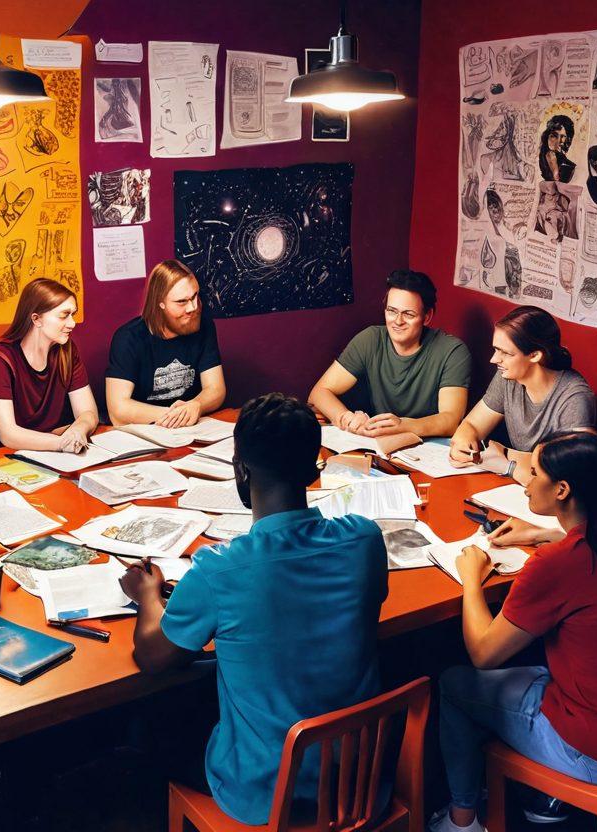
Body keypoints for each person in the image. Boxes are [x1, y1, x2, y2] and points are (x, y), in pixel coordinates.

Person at [119, 393, 388, 825]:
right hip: (356, 776)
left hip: (267, 792)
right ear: (313, 467)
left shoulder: (217, 569)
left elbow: (152, 657)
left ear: (239, 470)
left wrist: (147, 596)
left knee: (145, 728)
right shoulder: (364, 539)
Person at [429, 433, 597, 832]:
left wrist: (471, 579)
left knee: (454, 682)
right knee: (531, 668)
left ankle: (462, 819)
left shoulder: (558, 564)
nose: (526, 481)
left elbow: (482, 653)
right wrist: (542, 533)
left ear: (562, 489)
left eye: (534, 473)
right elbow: (594, 547)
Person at [309, 269, 471, 438]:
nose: (398, 321)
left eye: (408, 314)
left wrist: (404, 426)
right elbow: (319, 391)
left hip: (429, 446)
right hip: (381, 442)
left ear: (427, 316)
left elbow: (450, 420)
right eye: (392, 311)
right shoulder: (370, 339)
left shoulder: (452, 351)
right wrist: (345, 417)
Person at [449, 306, 594, 478]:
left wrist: (507, 456)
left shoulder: (574, 398)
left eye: (506, 353)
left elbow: (566, 472)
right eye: (496, 349)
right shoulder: (508, 375)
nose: (494, 359)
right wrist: (463, 445)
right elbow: (471, 425)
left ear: (534, 355)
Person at [0, 278, 98, 453]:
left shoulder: (66, 351)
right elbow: (9, 435)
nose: (72, 323)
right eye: (64, 315)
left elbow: (89, 413)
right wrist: (63, 442)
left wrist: (79, 429)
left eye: (73, 314)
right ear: (36, 319)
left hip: (42, 451)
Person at [106, 259, 226, 428]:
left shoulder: (203, 326)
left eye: (195, 296)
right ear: (160, 303)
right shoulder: (129, 337)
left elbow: (216, 389)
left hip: (191, 429)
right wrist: (179, 415)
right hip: (148, 429)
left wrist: (196, 405)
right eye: (182, 302)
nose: (192, 307)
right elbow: (118, 410)